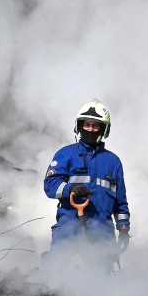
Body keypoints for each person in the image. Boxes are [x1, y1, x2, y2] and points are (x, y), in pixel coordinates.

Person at [43, 101, 130, 254]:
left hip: (103, 235)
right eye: (87, 124)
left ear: (103, 129)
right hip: (69, 230)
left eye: (95, 125)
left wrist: (123, 228)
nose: (90, 129)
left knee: (100, 270)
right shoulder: (66, 154)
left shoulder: (113, 161)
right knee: (62, 267)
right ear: (80, 126)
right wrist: (71, 188)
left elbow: (120, 201)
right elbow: (50, 185)